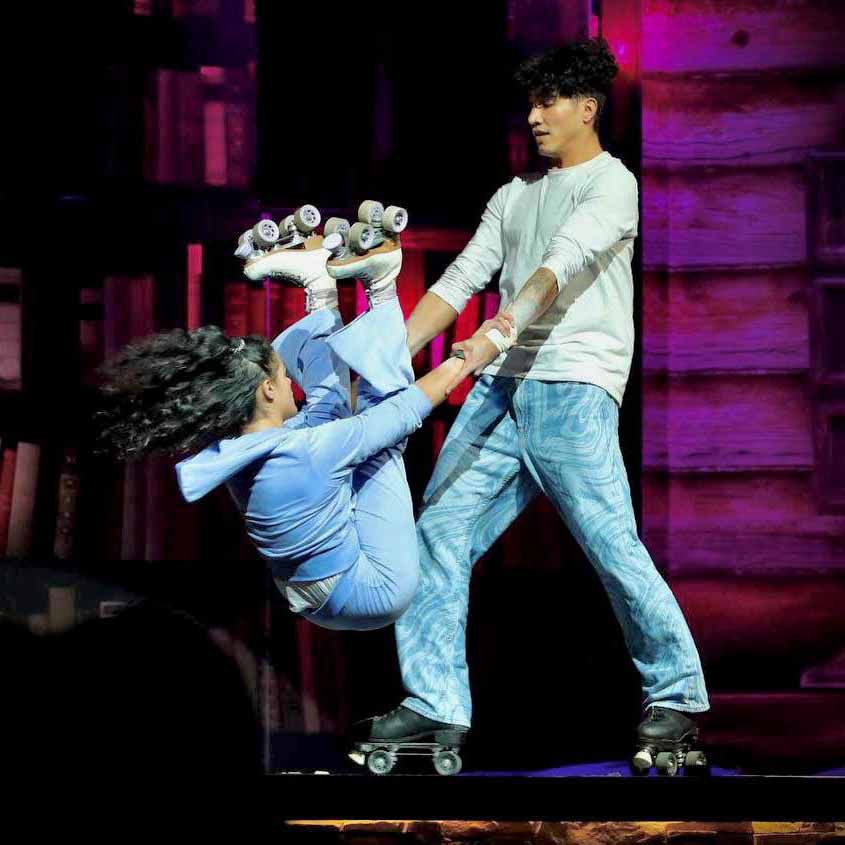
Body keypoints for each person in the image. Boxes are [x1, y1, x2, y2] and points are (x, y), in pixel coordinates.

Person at [357, 38, 710, 763]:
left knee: (609, 543)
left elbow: (558, 265)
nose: (534, 116)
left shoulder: (611, 184)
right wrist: (389, 358)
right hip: (499, 388)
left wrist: (500, 329)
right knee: (437, 532)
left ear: (588, 108)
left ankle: (676, 695)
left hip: (572, 386)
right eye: (531, 103)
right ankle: (434, 703)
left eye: (549, 102)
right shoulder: (513, 195)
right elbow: (460, 281)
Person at [95, 233, 511, 631]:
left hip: (311, 592)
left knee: (333, 416)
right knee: (381, 433)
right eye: (284, 375)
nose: (291, 382)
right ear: (268, 390)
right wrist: (482, 348)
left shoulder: (238, 449)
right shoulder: (306, 452)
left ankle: (319, 284)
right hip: (372, 592)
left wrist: (321, 292)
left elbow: (324, 413)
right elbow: (402, 411)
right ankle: (382, 284)